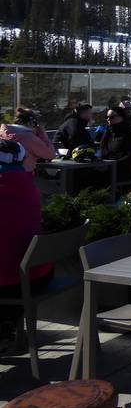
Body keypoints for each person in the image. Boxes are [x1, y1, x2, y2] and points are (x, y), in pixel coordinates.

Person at [0, 141, 53, 351]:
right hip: (39, 275)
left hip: (11, 283)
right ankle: (6, 324)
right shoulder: (29, 185)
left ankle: (5, 325)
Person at [0, 108, 56, 172]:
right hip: (22, 174)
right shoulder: (29, 137)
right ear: (31, 122)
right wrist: (41, 132)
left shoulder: (2, 132)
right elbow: (50, 154)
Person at [99, 106, 131, 186]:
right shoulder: (108, 131)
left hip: (123, 170)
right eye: (107, 117)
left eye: (112, 117)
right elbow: (103, 148)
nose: (108, 119)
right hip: (108, 166)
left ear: (121, 117)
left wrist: (114, 164)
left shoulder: (130, 133)